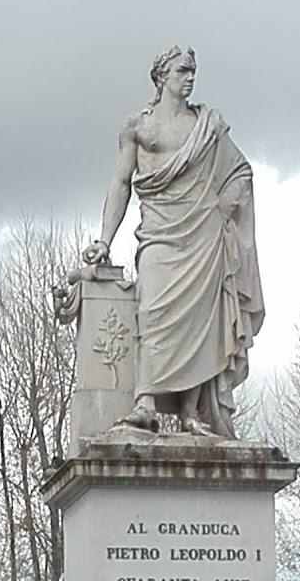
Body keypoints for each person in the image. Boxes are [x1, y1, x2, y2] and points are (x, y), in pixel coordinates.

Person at [83, 46, 265, 438]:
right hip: (160, 235)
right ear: (161, 75)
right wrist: (104, 240)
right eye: (182, 70)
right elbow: (120, 184)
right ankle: (145, 401)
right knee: (152, 311)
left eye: (193, 71)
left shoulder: (208, 126)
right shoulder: (138, 126)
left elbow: (240, 171)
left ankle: (190, 413)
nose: (190, 78)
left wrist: (223, 205)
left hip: (202, 234)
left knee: (201, 324)